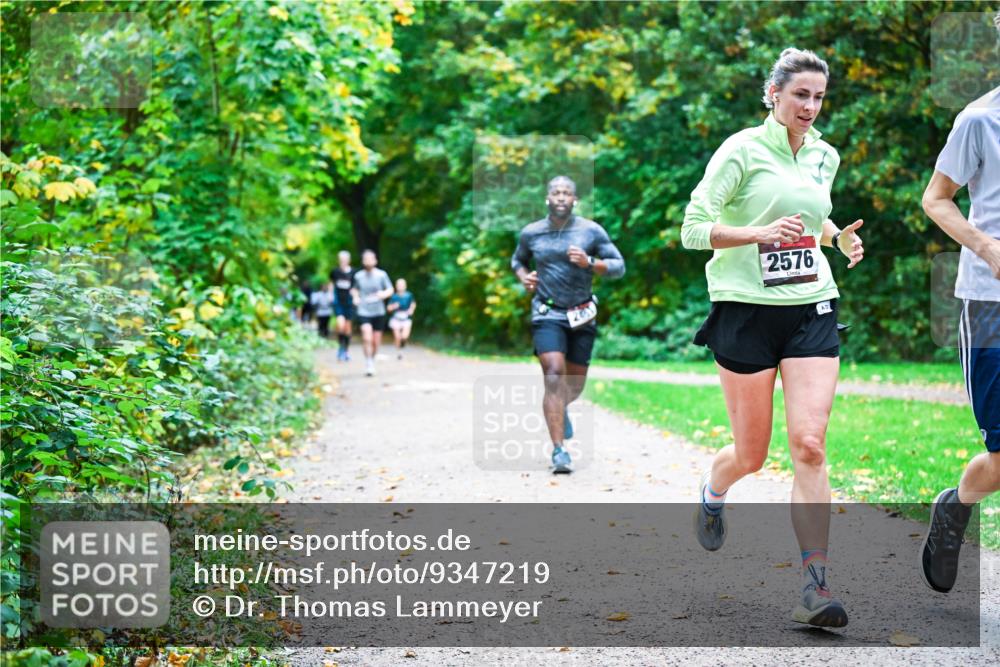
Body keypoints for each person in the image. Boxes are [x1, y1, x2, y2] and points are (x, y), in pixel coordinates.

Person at [681, 48, 865, 628]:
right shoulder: (741, 150)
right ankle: (714, 490)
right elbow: (692, 230)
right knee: (752, 455)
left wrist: (835, 239)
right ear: (775, 94)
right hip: (745, 312)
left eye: (818, 97)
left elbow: (812, 218)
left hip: (810, 305)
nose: (810, 107)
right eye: (800, 95)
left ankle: (816, 585)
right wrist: (759, 235)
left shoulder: (824, 155)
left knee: (809, 444)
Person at [919, 85, 999, 593]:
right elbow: (936, 198)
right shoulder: (978, 120)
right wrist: (987, 246)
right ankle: (956, 507)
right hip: (990, 302)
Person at [511, 175, 625, 474]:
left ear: (575, 200)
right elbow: (517, 261)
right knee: (552, 375)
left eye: (567, 193)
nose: (561, 197)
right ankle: (560, 451)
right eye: (556, 192)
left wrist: (590, 263)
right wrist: (525, 278)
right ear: (547, 198)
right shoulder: (531, 233)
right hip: (547, 312)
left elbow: (618, 266)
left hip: (582, 314)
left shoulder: (590, 230)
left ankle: (561, 407)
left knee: (572, 385)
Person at [351, 249, 393, 377]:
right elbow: (354, 289)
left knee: (376, 341)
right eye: (366, 259)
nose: (368, 261)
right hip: (364, 310)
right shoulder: (358, 276)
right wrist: (355, 297)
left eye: (371, 258)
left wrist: (383, 294)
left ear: (375, 260)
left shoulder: (381, 275)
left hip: (378, 311)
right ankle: (368, 362)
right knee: (366, 337)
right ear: (363, 261)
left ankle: (372, 359)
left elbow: (390, 289)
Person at [330, 250, 356, 361]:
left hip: (349, 303)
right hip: (338, 302)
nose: (343, 261)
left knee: (347, 328)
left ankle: (346, 350)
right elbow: (331, 283)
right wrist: (331, 295)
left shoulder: (354, 272)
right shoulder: (335, 272)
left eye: (345, 259)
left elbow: (356, 287)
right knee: (340, 325)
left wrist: (356, 297)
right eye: (341, 260)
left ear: (348, 260)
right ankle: (340, 347)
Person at [387, 278, 416, 360]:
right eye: (399, 285)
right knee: (397, 337)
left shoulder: (409, 295)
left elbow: (413, 303)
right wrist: (393, 306)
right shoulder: (393, 297)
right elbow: (388, 308)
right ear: (396, 286)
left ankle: (402, 346)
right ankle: (399, 352)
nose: (400, 287)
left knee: (404, 337)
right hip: (396, 318)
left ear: (405, 286)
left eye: (402, 285)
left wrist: (411, 310)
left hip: (406, 318)